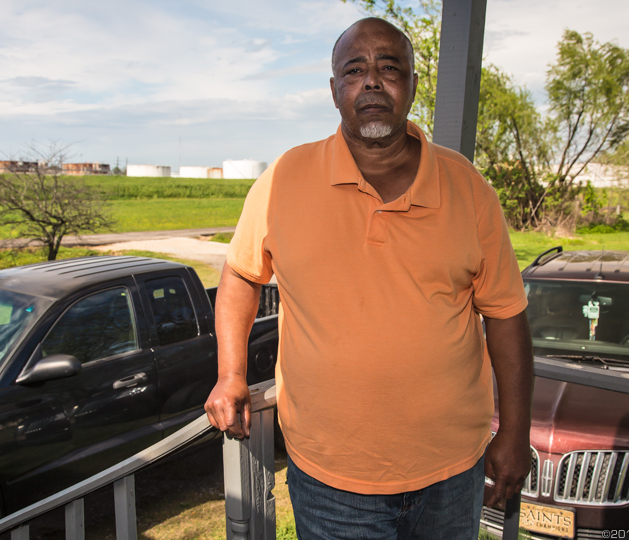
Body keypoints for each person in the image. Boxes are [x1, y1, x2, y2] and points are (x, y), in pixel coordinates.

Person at [204, 16, 533, 539]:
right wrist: (230, 374)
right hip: (331, 476)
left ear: (412, 85)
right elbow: (241, 277)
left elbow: (507, 317)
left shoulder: (468, 188)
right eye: (355, 69)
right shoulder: (284, 179)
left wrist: (515, 432)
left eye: (389, 67)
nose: (372, 81)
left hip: (450, 471)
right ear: (334, 91)